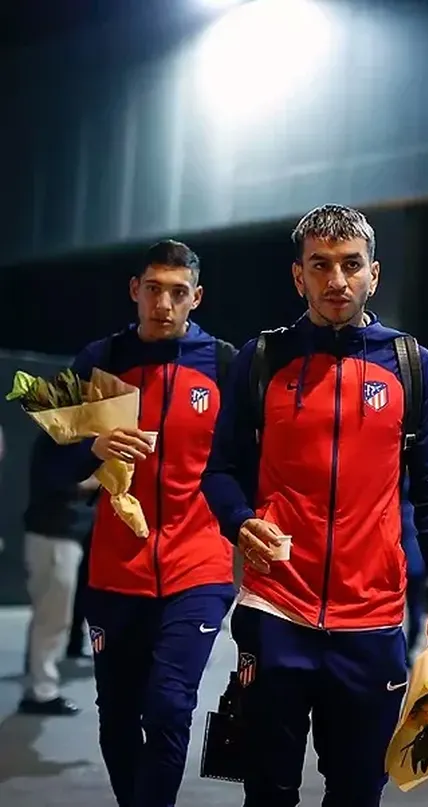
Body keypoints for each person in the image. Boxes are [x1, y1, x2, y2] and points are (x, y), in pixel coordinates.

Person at [201, 203, 428, 807]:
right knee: (267, 791)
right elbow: (219, 472)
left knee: (356, 792)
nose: (336, 281)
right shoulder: (261, 360)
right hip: (276, 613)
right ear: (299, 277)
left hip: (372, 622)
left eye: (351, 265)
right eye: (320, 265)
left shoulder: (411, 366)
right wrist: (240, 521)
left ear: (374, 273)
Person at [45, 239, 237, 807]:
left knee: (171, 704)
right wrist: (91, 446)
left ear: (196, 298)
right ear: (136, 290)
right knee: (117, 717)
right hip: (115, 570)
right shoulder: (95, 359)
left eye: (179, 293)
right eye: (153, 289)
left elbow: (255, 463)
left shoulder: (226, 363)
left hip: (198, 566)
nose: (164, 304)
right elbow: (48, 463)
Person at [19, 434, 98, 716]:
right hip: (54, 533)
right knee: (51, 617)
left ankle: (41, 684)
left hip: (64, 533)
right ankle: (41, 691)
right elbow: (58, 484)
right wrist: (101, 480)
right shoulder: (60, 436)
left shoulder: (72, 436)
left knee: (56, 615)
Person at [401, 474, 428, 666]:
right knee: (415, 608)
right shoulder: (421, 510)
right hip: (417, 564)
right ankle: (408, 651)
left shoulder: (395, 508)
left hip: (397, 563)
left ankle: (401, 649)